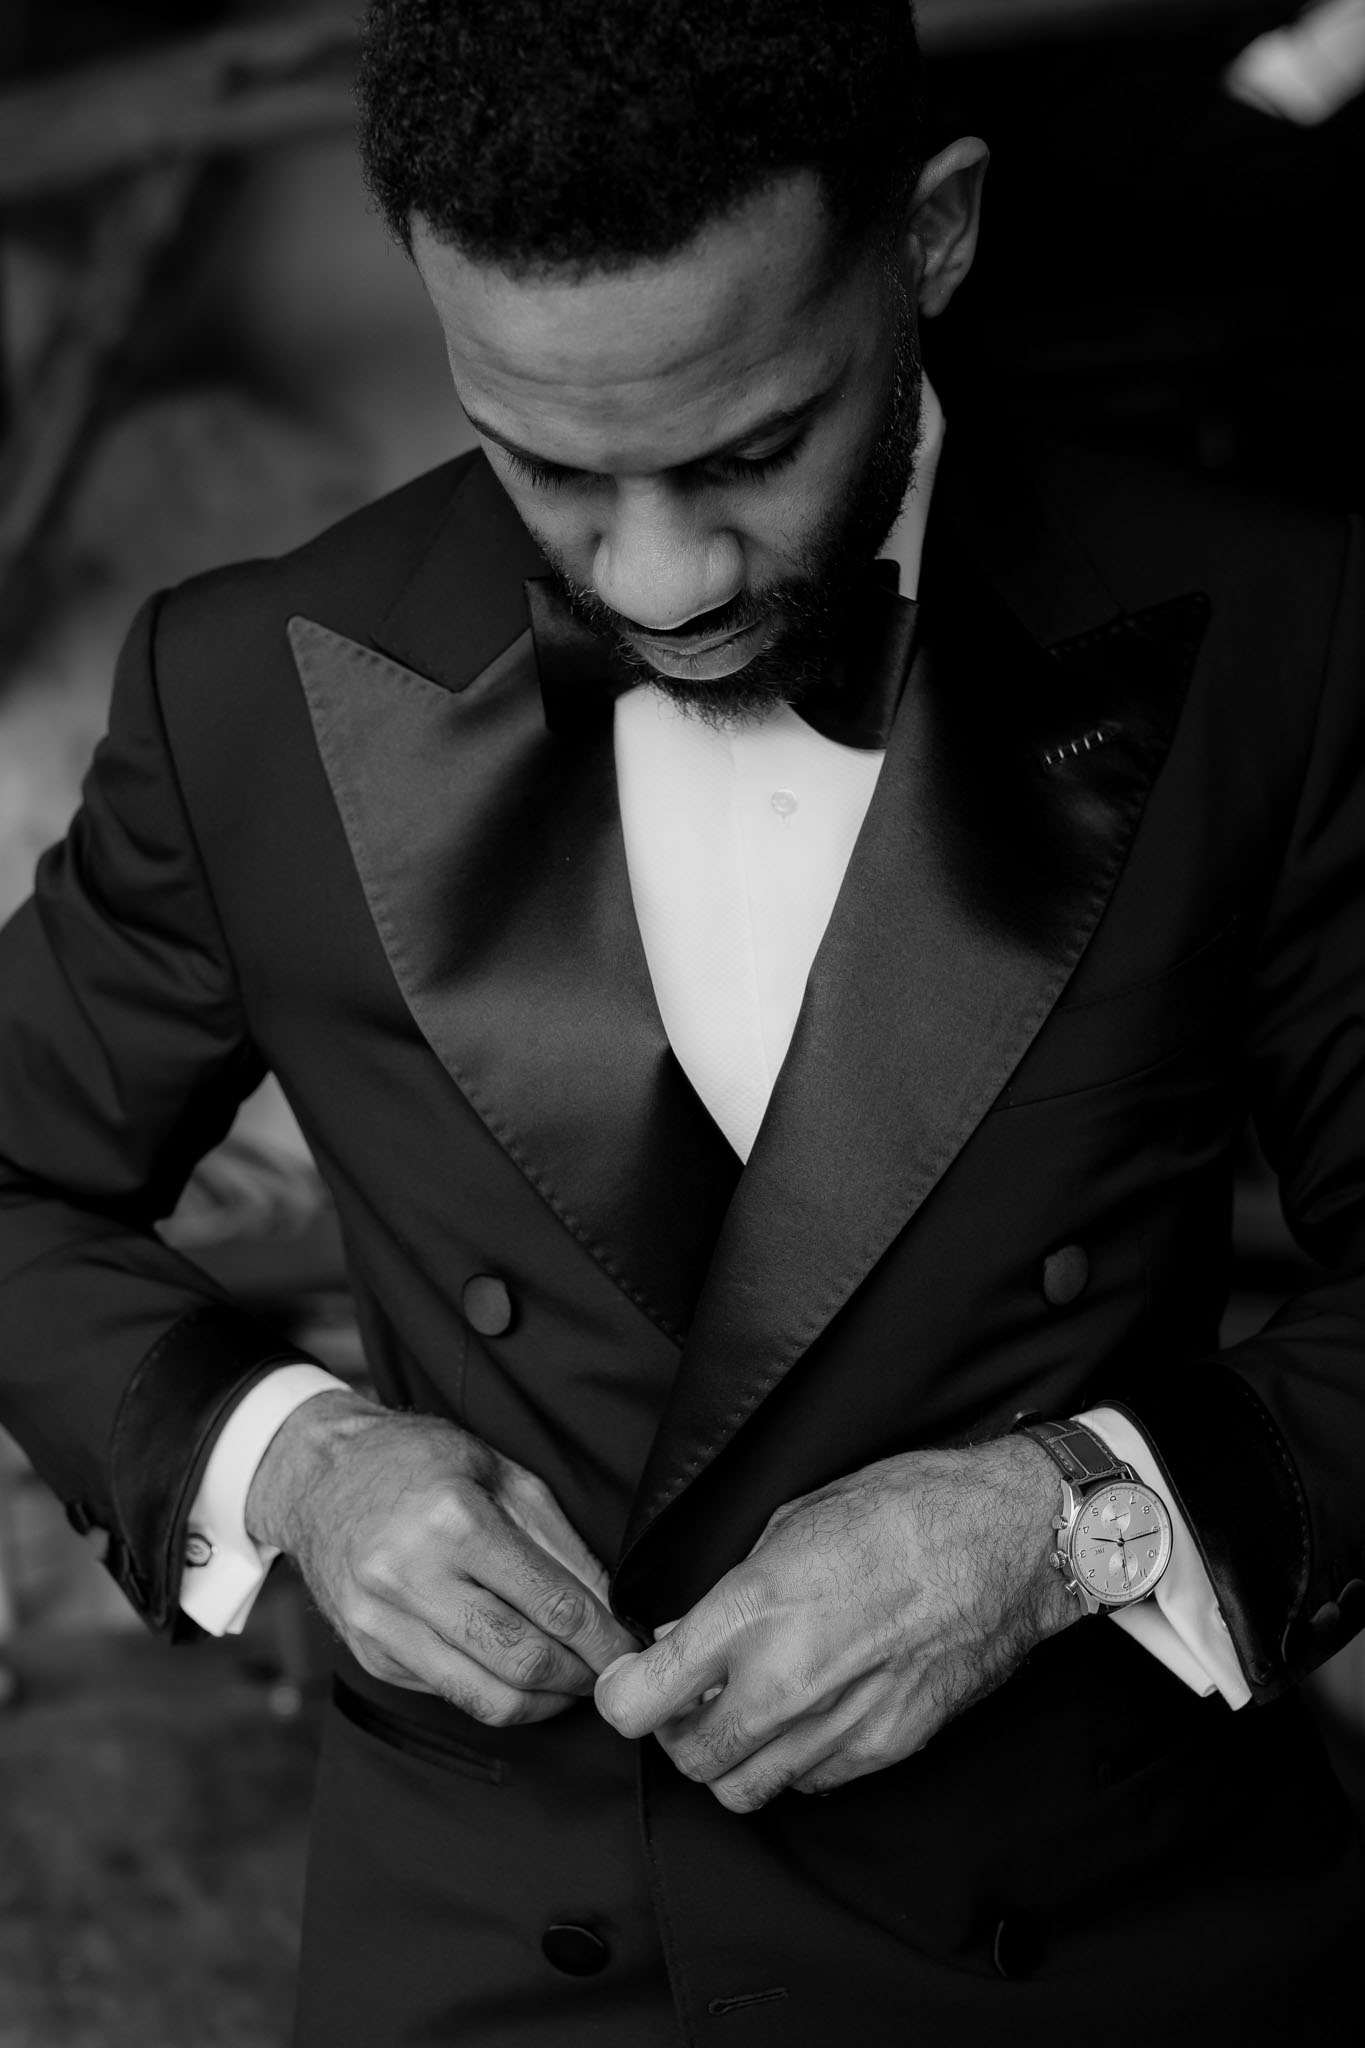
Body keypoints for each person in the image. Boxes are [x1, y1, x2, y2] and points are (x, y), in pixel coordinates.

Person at [1, 2, 1363, 2040]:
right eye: (547, 464)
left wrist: (1068, 1523)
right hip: (504, 1965)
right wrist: (292, 1465)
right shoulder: (245, 692)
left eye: (748, 451)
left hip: (1103, 1942)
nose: (656, 579)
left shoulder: (1277, 635)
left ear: (932, 236)